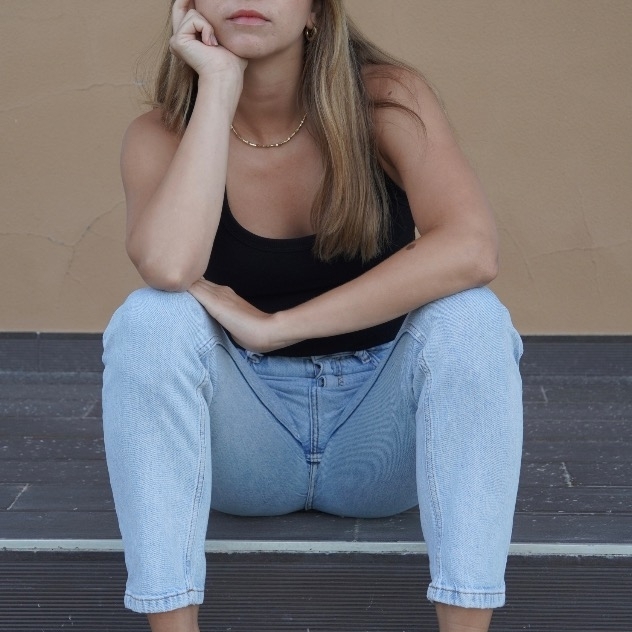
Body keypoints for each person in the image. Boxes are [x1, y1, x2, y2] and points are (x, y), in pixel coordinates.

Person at [102, 1, 523, 630]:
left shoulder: (386, 100)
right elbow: (167, 266)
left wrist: (280, 326)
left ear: (316, 13)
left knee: (473, 318)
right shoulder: (158, 135)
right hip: (246, 450)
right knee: (148, 320)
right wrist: (218, 88)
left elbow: (472, 247)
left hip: (378, 444)